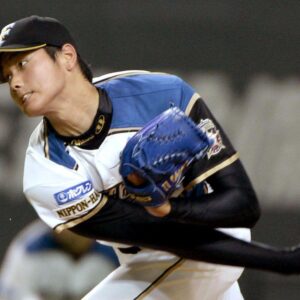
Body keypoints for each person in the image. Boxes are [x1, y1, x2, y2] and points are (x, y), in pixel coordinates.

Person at [1, 15, 300, 300]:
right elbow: (157, 235)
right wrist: (280, 261)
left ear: (67, 56)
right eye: (8, 75)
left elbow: (243, 205)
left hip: (216, 238)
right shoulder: (47, 172)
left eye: (23, 63)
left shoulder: (160, 95)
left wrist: (171, 208)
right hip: (152, 259)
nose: (14, 82)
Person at [0, 219, 119, 300]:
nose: (72, 230)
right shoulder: (30, 248)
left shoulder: (115, 244)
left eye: (78, 221)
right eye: (64, 221)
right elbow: (10, 294)